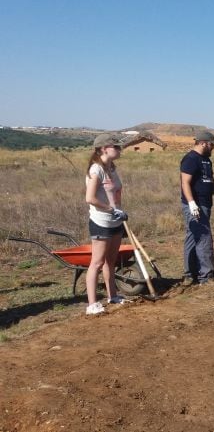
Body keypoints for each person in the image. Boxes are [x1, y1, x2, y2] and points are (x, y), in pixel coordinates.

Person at [84, 134, 130, 315]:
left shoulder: (111, 168)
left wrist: (119, 211)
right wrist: (111, 210)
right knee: (97, 262)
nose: (120, 150)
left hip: (115, 221)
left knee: (111, 262)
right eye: (116, 147)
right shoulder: (96, 170)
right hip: (101, 222)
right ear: (104, 149)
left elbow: (114, 195)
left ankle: (113, 295)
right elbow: (90, 198)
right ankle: (92, 303)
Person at [180, 130, 214, 285]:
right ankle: (206, 276)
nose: (213, 147)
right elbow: (185, 182)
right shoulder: (191, 159)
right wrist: (192, 203)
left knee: (194, 237)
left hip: (206, 203)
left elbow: (211, 181)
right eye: (212, 144)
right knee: (204, 238)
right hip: (196, 205)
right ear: (203, 143)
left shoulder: (206, 160)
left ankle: (190, 274)